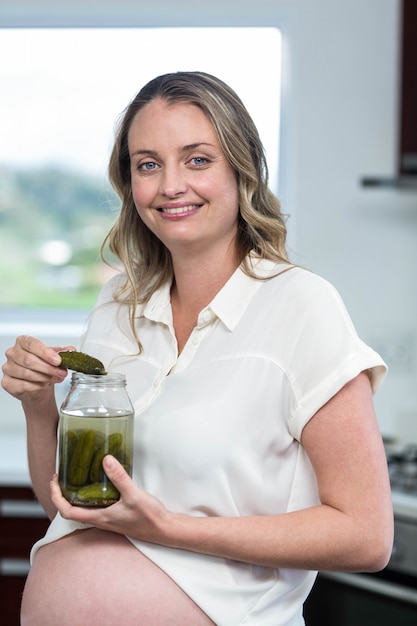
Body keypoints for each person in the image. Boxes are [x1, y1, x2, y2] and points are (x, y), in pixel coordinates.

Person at [1, 71, 393, 626]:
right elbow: (69, 503)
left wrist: (166, 528)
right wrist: (38, 403)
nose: (170, 186)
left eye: (198, 159)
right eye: (148, 164)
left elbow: (366, 536)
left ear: (242, 169)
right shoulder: (118, 303)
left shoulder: (301, 305)